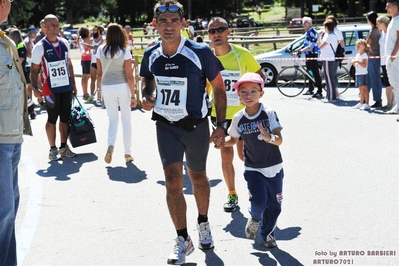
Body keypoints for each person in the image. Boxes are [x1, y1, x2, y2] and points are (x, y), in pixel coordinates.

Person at [139, 1, 227, 264]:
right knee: (172, 180)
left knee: (198, 177)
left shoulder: (199, 52)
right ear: (155, 24)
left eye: (173, 21)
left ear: (183, 23)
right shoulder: (151, 53)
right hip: (165, 125)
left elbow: (219, 89)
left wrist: (220, 125)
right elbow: (147, 78)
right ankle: (182, 238)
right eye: (163, 21)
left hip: (195, 126)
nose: (168, 26)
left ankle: (203, 221)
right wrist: (147, 95)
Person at [207, 16, 265, 213]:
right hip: (219, 115)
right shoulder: (207, 57)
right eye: (212, 31)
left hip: (242, 114)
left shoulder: (242, 54)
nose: (216, 34)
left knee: (243, 156)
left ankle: (255, 190)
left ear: (228, 32)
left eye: (220, 29)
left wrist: (249, 96)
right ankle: (232, 193)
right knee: (226, 153)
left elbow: (260, 78)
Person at [223, 72, 283, 249]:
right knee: (258, 202)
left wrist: (268, 137)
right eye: (244, 92)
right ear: (238, 95)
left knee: (275, 205)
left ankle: (268, 234)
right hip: (253, 168)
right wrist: (221, 143)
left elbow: (279, 139)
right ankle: (255, 218)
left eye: (254, 91)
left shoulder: (268, 113)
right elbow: (232, 139)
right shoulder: (238, 118)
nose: (249, 96)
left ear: (261, 93)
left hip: (275, 167)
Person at [0, 0, 32, 264]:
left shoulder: (5, 40)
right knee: (3, 211)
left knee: (9, 210)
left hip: (11, 137)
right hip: (0, 140)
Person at [31, 14, 77, 161]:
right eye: (53, 24)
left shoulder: (64, 43)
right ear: (45, 27)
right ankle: (52, 149)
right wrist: (34, 88)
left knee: (65, 118)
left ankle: (63, 147)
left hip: (66, 87)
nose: (56, 27)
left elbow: (69, 64)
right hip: (50, 90)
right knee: (52, 118)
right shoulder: (40, 47)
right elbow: (34, 69)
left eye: (57, 24)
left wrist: (74, 84)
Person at [96, 23, 137, 163]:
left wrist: (99, 90)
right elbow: (129, 75)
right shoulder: (125, 51)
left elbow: (99, 74)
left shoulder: (100, 50)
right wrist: (133, 94)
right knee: (126, 121)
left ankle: (110, 145)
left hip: (107, 87)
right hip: (122, 86)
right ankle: (127, 153)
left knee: (112, 120)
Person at [9, 29, 36, 119]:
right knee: (22, 92)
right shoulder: (15, 45)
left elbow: (20, 59)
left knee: (24, 92)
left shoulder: (20, 45)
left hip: (21, 72)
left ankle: (31, 110)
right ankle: (29, 110)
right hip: (18, 72)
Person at [300, 16, 323, 98]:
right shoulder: (307, 32)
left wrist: (301, 51)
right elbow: (305, 44)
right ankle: (310, 89)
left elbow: (311, 46)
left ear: (310, 24)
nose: (304, 25)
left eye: (305, 23)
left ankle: (319, 91)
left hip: (313, 54)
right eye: (303, 23)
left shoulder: (312, 32)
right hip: (308, 55)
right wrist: (299, 49)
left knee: (315, 73)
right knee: (309, 72)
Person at [366, 11, 383, 108]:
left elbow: (368, 43)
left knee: (374, 79)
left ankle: (377, 99)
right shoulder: (378, 29)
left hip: (373, 57)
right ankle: (365, 97)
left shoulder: (373, 31)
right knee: (370, 78)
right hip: (375, 56)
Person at [317, 19, 338, 102]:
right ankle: (329, 95)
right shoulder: (327, 35)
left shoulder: (331, 36)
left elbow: (320, 46)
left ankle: (331, 97)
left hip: (328, 58)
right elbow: (320, 44)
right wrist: (320, 37)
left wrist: (319, 36)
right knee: (327, 77)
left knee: (329, 78)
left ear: (327, 27)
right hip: (325, 58)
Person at [376, 15, 394, 110]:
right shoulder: (382, 32)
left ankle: (391, 103)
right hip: (383, 60)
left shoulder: (390, 32)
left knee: (390, 83)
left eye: (378, 23)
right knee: (387, 82)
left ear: (383, 23)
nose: (376, 25)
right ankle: (390, 103)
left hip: (391, 60)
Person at [385, 0, 399, 118]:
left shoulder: (398, 21)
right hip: (391, 56)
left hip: (395, 57)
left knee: (395, 80)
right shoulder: (393, 21)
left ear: (395, 7)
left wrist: (393, 54)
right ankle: (397, 104)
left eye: (388, 6)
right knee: (394, 81)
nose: (386, 8)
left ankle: (397, 105)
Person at [326, 15, 345, 99]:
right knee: (332, 74)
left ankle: (335, 93)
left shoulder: (336, 32)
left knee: (332, 74)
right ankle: (335, 92)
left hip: (334, 55)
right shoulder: (333, 32)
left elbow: (342, 44)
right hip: (331, 55)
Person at [83, 24, 104, 100]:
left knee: (99, 78)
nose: (93, 31)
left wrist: (88, 46)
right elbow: (89, 50)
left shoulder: (103, 40)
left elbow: (98, 48)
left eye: (95, 30)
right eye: (93, 30)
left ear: (99, 31)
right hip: (93, 61)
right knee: (93, 78)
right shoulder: (91, 40)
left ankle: (99, 94)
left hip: (101, 62)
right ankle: (92, 95)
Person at [352, 39, 370, 110]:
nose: (357, 47)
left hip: (363, 74)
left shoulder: (364, 55)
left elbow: (364, 65)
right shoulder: (357, 55)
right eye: (356, 46)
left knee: (364, 89)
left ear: (364, 47)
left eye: (359, 46)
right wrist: (354, 63)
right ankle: (361, 102)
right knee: (360, 89)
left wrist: (357, 62)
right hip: (358, 73)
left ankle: (367, 103)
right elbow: (357, 66)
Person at [78, 26, 92, 101]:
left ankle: (84, 92)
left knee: (84, 77)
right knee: (87, 77)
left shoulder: (79, 39)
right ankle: (86, 93)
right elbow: (89, 50)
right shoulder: (87, 39)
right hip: (88, 59)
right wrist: (89, 53)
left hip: (83, 60)